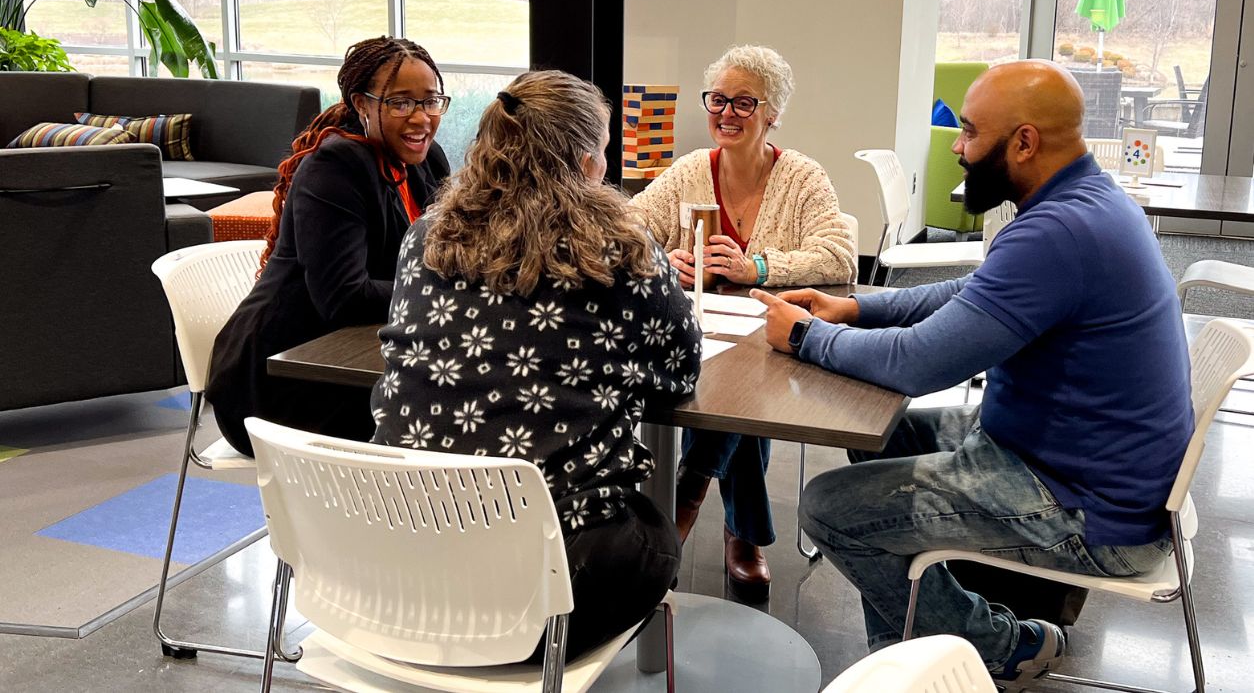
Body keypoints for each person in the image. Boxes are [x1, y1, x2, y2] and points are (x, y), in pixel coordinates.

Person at [752, 59, 1192, 684]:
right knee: (874, 437)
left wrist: (804, 335)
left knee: (828, 508)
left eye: (968, 132)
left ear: (1024, 142)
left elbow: (919, 363)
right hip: (1070, 460)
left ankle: (997, 644)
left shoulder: (1060, 231)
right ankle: (910, 650)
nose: (957, 148)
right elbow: (976, 289)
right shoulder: (1085, 201)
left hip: (1087, 511)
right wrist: (854, 307)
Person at [371, 70, 703, 661]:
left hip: (398, 569)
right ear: (584, 161)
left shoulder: (424, 237)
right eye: (603, 151)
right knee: (654, 537)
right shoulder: (620, 249)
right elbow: (679, 368)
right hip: (545, 588)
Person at [632, 43, 856, 600]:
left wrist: (757, 264)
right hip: (701, 334)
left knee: (743, 396)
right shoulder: (688, 172)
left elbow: (840, 256)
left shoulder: (802, 177)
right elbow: (628, 230)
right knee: (736, 401)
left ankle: (687, 497)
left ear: (772, 112)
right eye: (718, 100)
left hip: (774, 340)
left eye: (743, 103)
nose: (726, 113)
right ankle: (745, 536)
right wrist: (668, 260)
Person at [207, 36, 452, 456]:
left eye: (431, 101)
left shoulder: (426, 161)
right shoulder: (334, 169)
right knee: (444, 414)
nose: (421, 118)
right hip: (277, 385)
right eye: (400, 102)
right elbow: (344, 297)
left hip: (358, 358)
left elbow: (445, 255)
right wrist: (443, 293)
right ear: (362, 104)